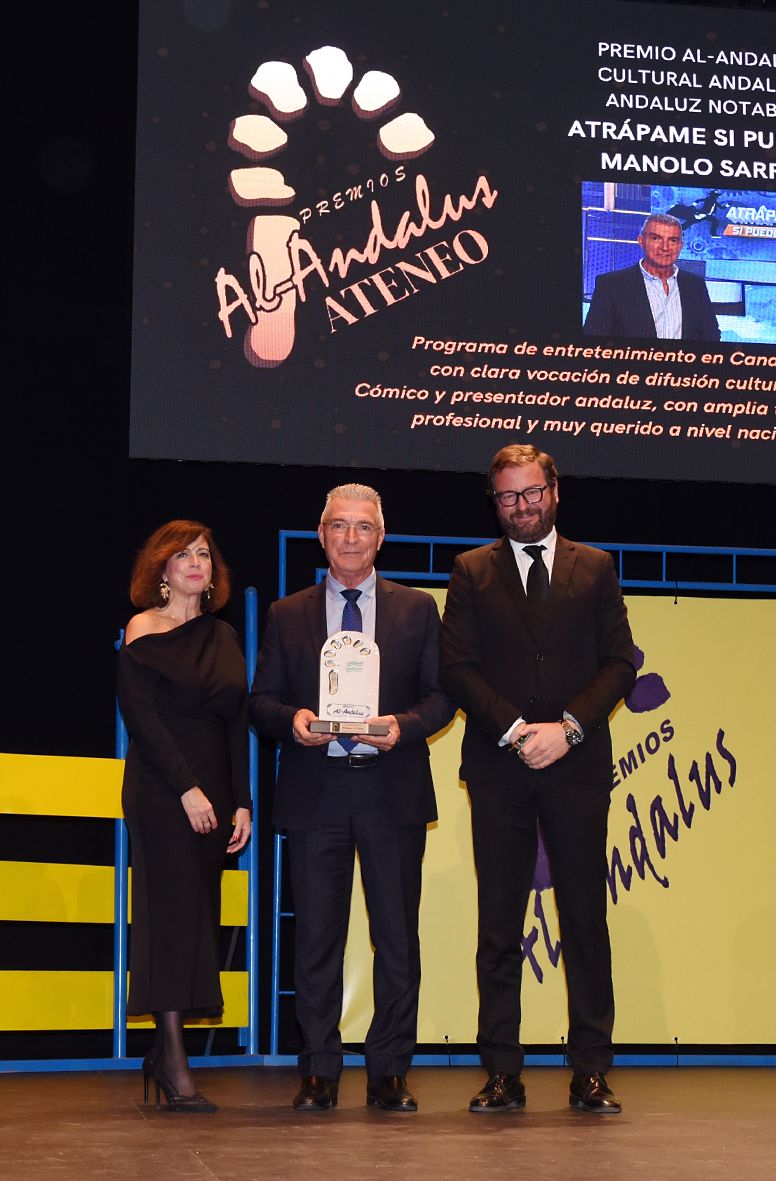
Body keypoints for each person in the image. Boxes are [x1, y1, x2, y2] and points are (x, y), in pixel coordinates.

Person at [441, 445, 637, 1114]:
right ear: (493, 501)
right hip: (499, 766)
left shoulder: (596, 566)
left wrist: (569, 728)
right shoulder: (471, 570)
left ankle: (591, 1069)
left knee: (583, 919)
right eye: (507, 497)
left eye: (530, 493)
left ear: (555, 490)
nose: (520, 507)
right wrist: (518, 728)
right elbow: (456, 667)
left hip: (577, 767)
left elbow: (620, 664)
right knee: (499, 924)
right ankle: (501, 1070)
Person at [248, 485, 455, 1113]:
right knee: (316, 940)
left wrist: (403, 727)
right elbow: (259, 703)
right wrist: (292, 721)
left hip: (391, 789)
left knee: (396, 939)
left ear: (381, 537)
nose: (351, 538)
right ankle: (318, 1070)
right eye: (339, 526)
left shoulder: (418, 609)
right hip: (317, 790)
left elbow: (441, 697)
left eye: (363, 527)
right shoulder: (287, 613)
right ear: (321, 535)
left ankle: (389, 1071)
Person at [118, 521, 253, 1113]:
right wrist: (187, 790)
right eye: (183, 555)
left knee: (197, 916)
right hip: (163, 789)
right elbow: (141, 719)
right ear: (162, 570)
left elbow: (238, 722)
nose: (196, 563)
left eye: (204, 554)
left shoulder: (224, 635)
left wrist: (242, 800)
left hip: (216, 792)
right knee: (169, 917)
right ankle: (173, 1060)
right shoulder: (143, 628)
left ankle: (162, 1051)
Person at [584, 213, 722, 341]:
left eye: (672, 240)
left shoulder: (695, 285)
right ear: (641, 241)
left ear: (680, 246)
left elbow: (711, 336)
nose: (665, 247)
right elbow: (594, 339)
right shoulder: (611, 284)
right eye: (656, 238)